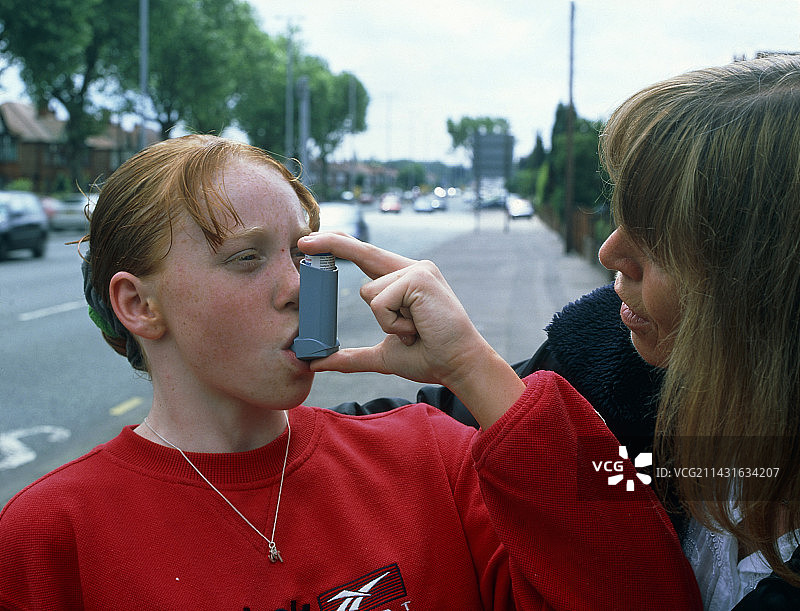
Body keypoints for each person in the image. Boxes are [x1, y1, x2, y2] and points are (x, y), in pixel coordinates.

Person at [0, 134, 700, 610]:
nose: (300, 289)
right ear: (137, 303)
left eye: (305, 257)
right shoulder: (51, 534)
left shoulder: (433, 455)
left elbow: (646, 588)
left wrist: (473, 367)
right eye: (246, 259)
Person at [336, 55, 800, 610]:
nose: (610, 252)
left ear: (764, 280)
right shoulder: (609, 353)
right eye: (619, 215)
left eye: (658, 239)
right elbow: (446, 432)